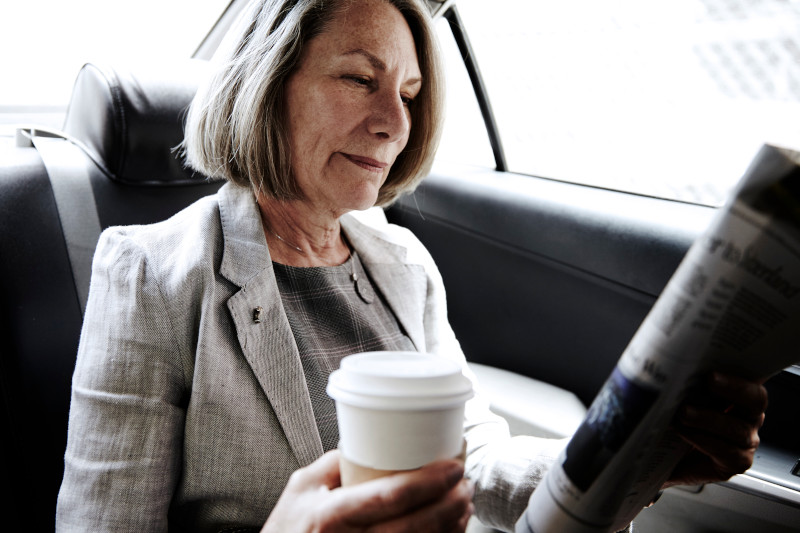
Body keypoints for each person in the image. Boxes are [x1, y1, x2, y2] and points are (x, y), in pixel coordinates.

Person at [55, 0, 768, 532]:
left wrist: (638, 461)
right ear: (270, 84)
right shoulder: (150, 274)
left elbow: (475, 458)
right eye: (360, 79)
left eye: (408, 94)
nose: (394, 123)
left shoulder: (403, 263)